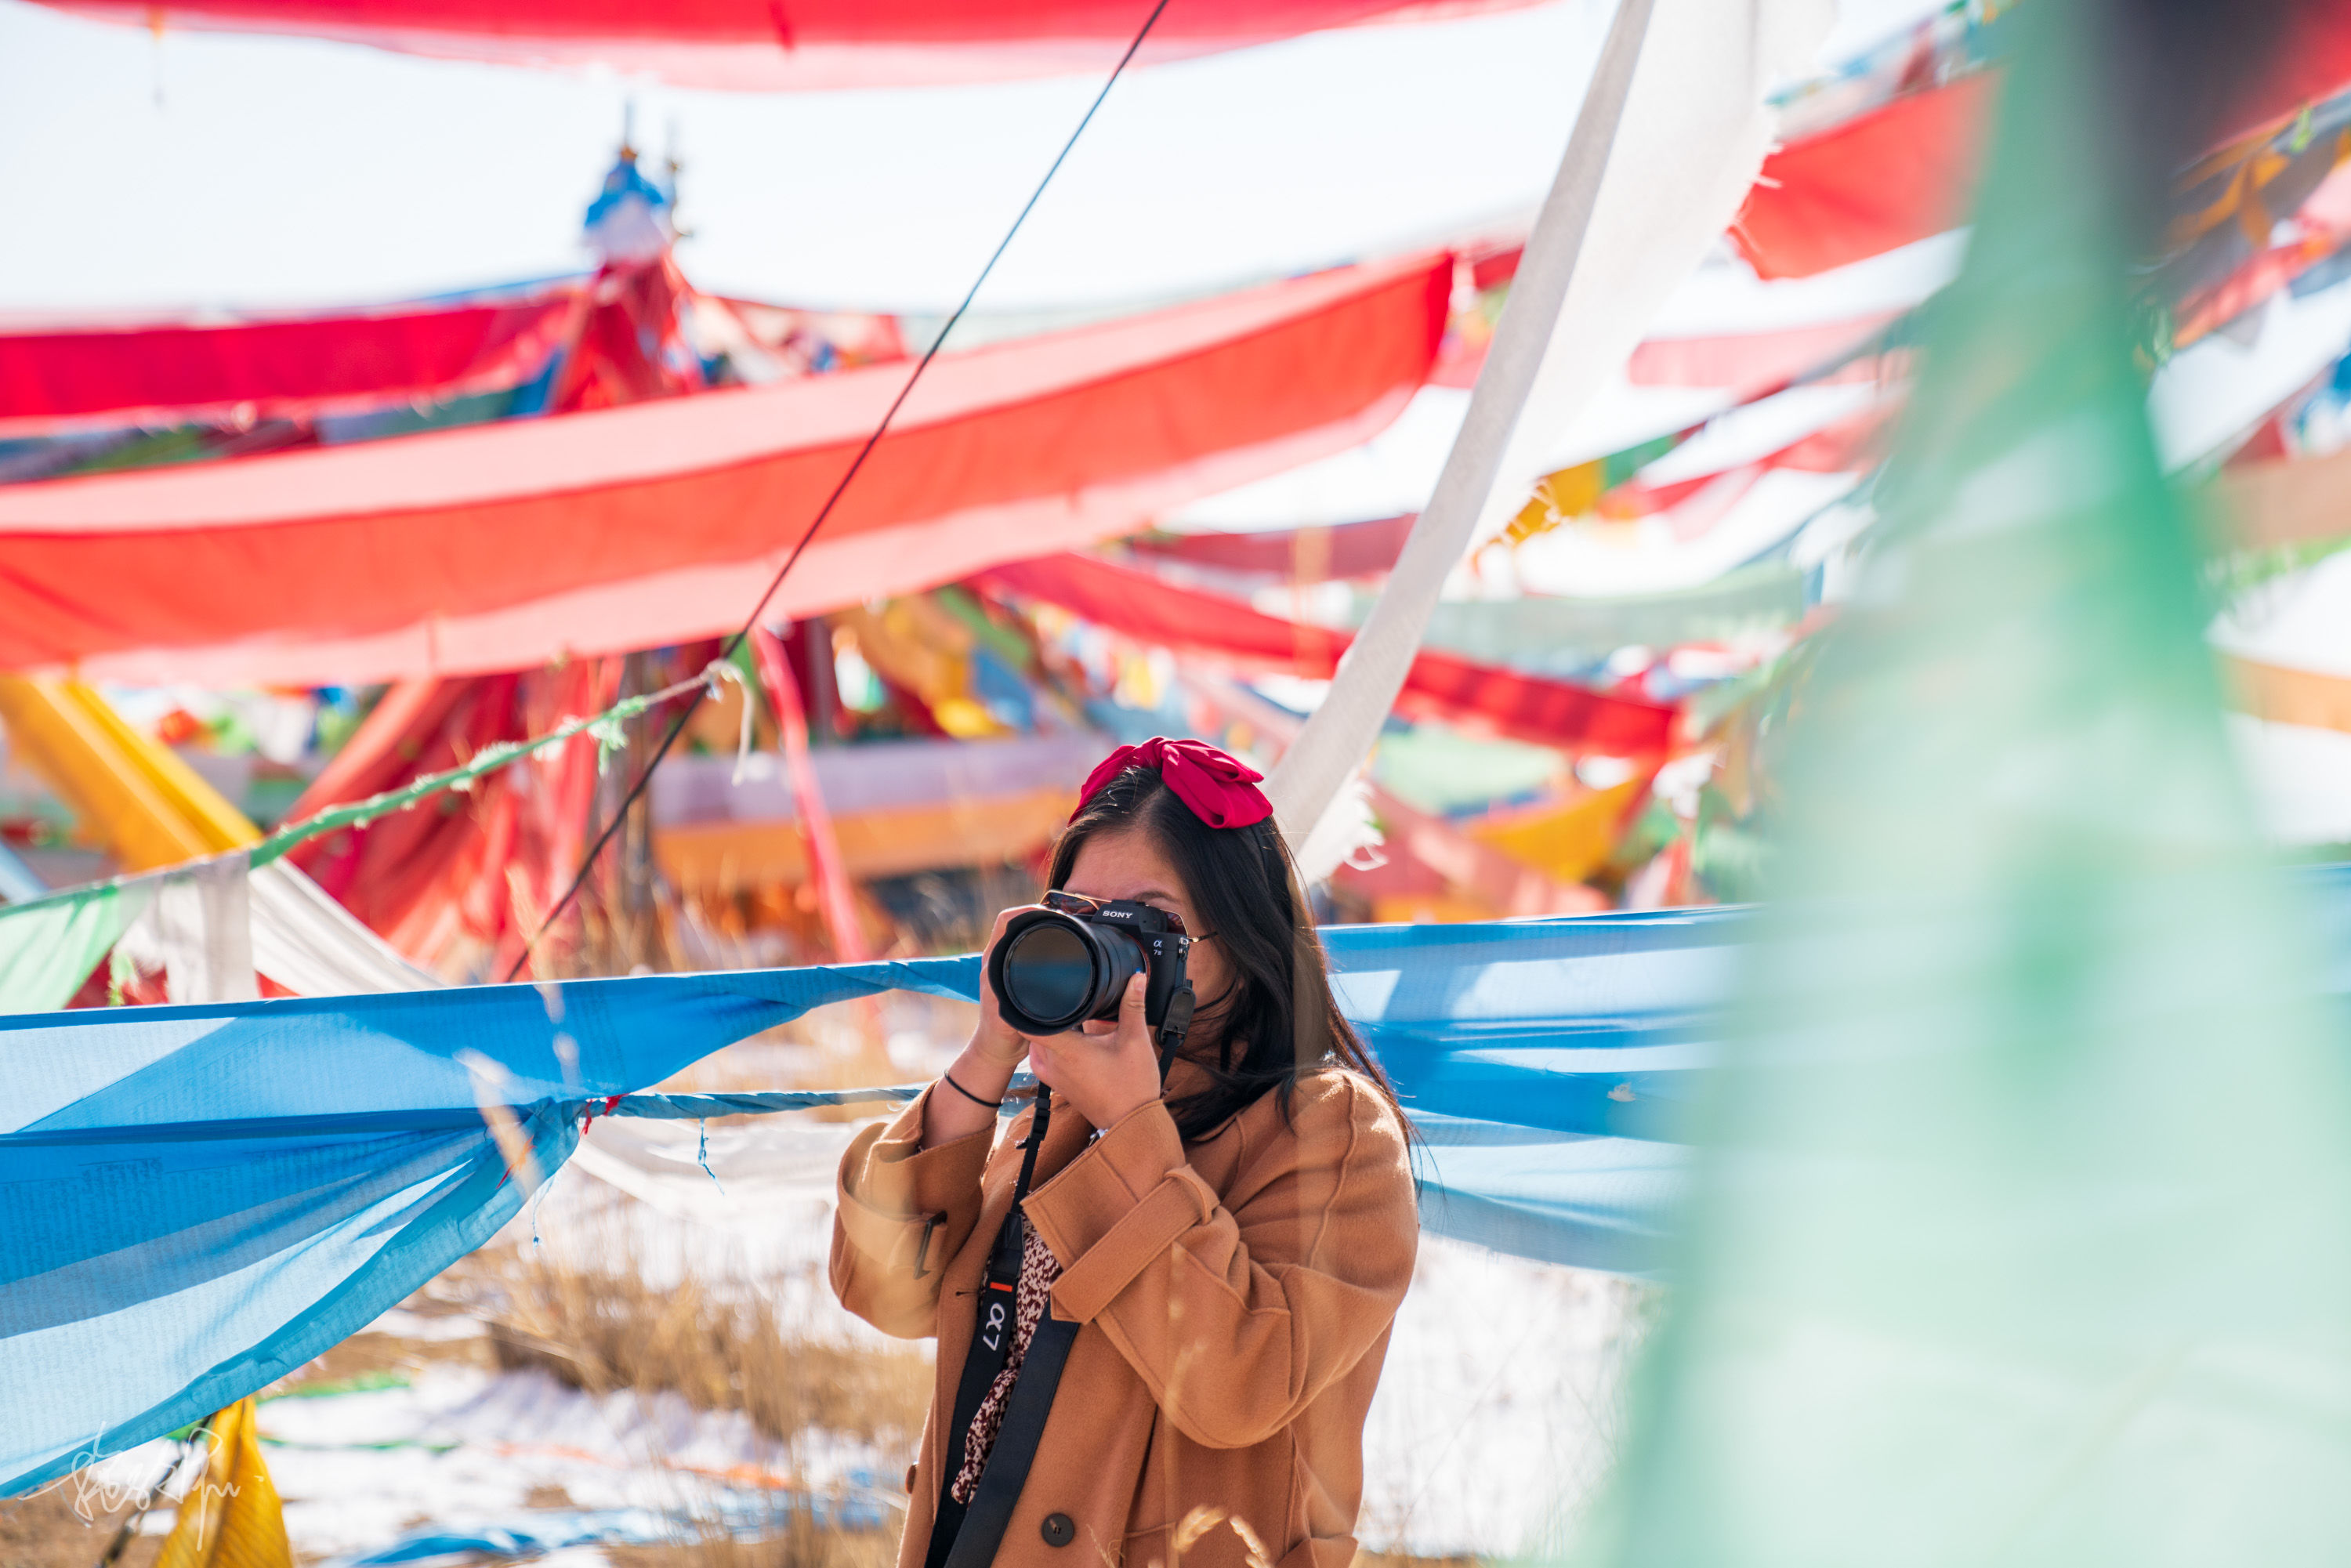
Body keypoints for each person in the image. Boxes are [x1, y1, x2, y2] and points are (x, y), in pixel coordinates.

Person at [831, 737, 1418, 1568]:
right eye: (1078, 917)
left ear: (1243, 936)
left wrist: (1132, 1125)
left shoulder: (1331, 1130)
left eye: (1147, 924)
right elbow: (883, 1293)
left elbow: (1239, 1384)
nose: (1108, 950)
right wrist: (986, 1061)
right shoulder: (1062, 1114)